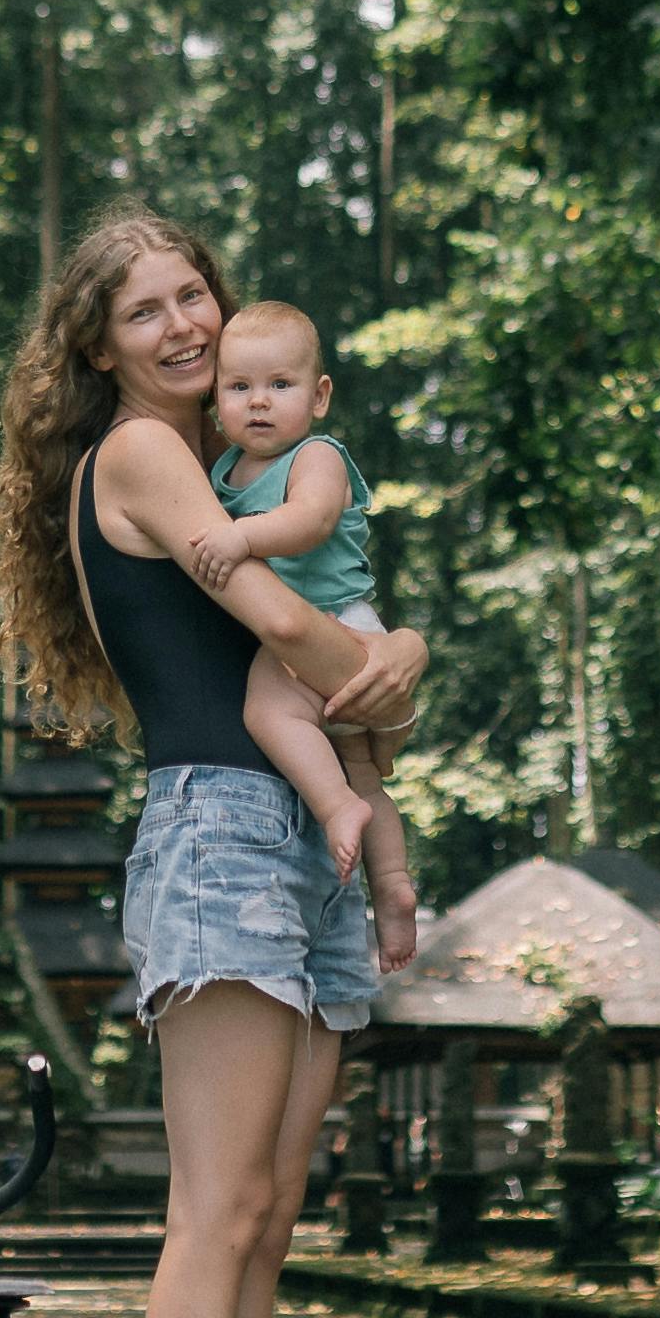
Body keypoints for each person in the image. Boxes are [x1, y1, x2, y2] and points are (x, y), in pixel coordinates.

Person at [0, 212, 425, 1318]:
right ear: (98, 349)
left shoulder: (251, 462)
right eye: (144, 311)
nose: (181, 326)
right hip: (222, 836)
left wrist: (378, 668)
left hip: (301, 838)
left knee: (268, 1219)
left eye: (196, 296)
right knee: (214, 1213)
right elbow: (290, 628)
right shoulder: (143, 452)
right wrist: (394, 655)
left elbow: (320, 655)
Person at [175, 302, 417, 973]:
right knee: (364, 768)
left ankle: (335, 806)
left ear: (319, 397)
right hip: (323, 643)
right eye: (239, 387)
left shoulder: (318, 456)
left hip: (339, 623)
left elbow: (310, 522)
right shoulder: (222, 475)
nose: (258, 403)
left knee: (267, 710)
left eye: (280, 386)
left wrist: (240, 537)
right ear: (214, 396)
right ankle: (393, 886)